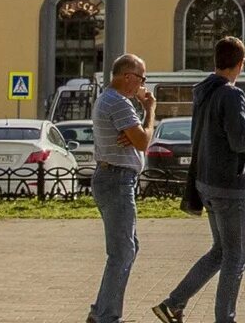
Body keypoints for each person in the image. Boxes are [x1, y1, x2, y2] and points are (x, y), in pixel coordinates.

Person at [155, 35, 245, 323]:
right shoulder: (231, 94)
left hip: (206, 182)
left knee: (220, 251)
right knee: (236, 257)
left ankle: (173, 304)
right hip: (229, 186)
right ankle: (224, 318)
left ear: (216, 60)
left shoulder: (204, 91)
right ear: (240, 64)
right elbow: (240, 141)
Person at [88, 53, 157, 323]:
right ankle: (107, 316)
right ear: (127, 76)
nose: (142, 84)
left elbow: (136, 137)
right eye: (141, 78)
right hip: (116, 180)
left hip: (113, 178)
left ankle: (101, 310)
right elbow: (142, 141)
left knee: (127, 248)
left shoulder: (113, 101)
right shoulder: (118, 103)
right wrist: (150, 111)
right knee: (121, 252)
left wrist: (137, 131)